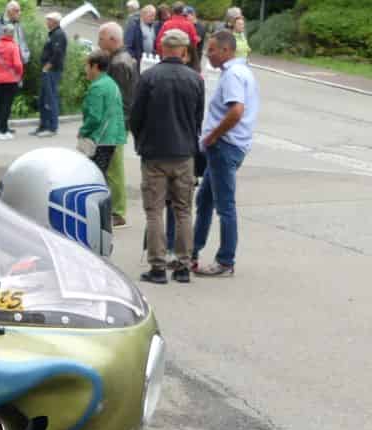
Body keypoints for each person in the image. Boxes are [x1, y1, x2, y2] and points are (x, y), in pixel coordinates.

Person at [131, 26, 200, 283]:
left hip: (154, 153)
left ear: (162, 49)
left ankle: (158, 267)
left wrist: (141, 140)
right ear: (183, 51)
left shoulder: (149, 77)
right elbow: (197, 119)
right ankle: (183, 266)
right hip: (184, 153)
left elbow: (136, 116)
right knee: (184, 210)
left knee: (154, 211)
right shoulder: (195, 79)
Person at [191, 30, 257, 276]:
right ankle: (192, 250)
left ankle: (225, 260)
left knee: (224, 206)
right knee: (205, 199)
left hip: (224, 146)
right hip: (230, 146)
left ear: (226, 50)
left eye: (212, 50)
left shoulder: (233, 75)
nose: (208, 54)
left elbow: (236, 111)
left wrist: (213, 136)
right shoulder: (242, 71)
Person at [97, 22, 136, 226]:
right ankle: (113, 208)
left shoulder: (119, 63)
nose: (99, 43)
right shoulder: (122, 59)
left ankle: (118, 211)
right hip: (118, 121)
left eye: (101, 39)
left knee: (114, 167)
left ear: (113, 39)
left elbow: (118, 98)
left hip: (116, 122)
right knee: (112, 166)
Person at [79, 49, 125, 176]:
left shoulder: (97, 87)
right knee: (101, 174)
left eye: (86, 66)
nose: (85, 70)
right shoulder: (111, 83)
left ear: (94, 66)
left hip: (99, 139)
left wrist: (83, 131)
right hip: (111, 139)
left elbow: (94, 117)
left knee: (92, 176)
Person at [33, 11, 67, 137]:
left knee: (50, 98)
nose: (46, 21)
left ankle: (52, 127)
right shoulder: (52, 34)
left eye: (49, 19)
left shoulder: (59, 34)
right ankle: (43, 126)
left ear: (55, 22)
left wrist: (48, 66)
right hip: (47, 70)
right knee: (43, 99)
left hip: (52, 71)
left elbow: (58, 53)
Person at [0, 24, 25, 140]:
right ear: (12, 34)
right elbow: (18, 64)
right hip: (10, 79)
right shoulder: (13, 46)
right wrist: (19, 75)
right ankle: (3, 131)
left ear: (3, 33)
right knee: (6, 105)